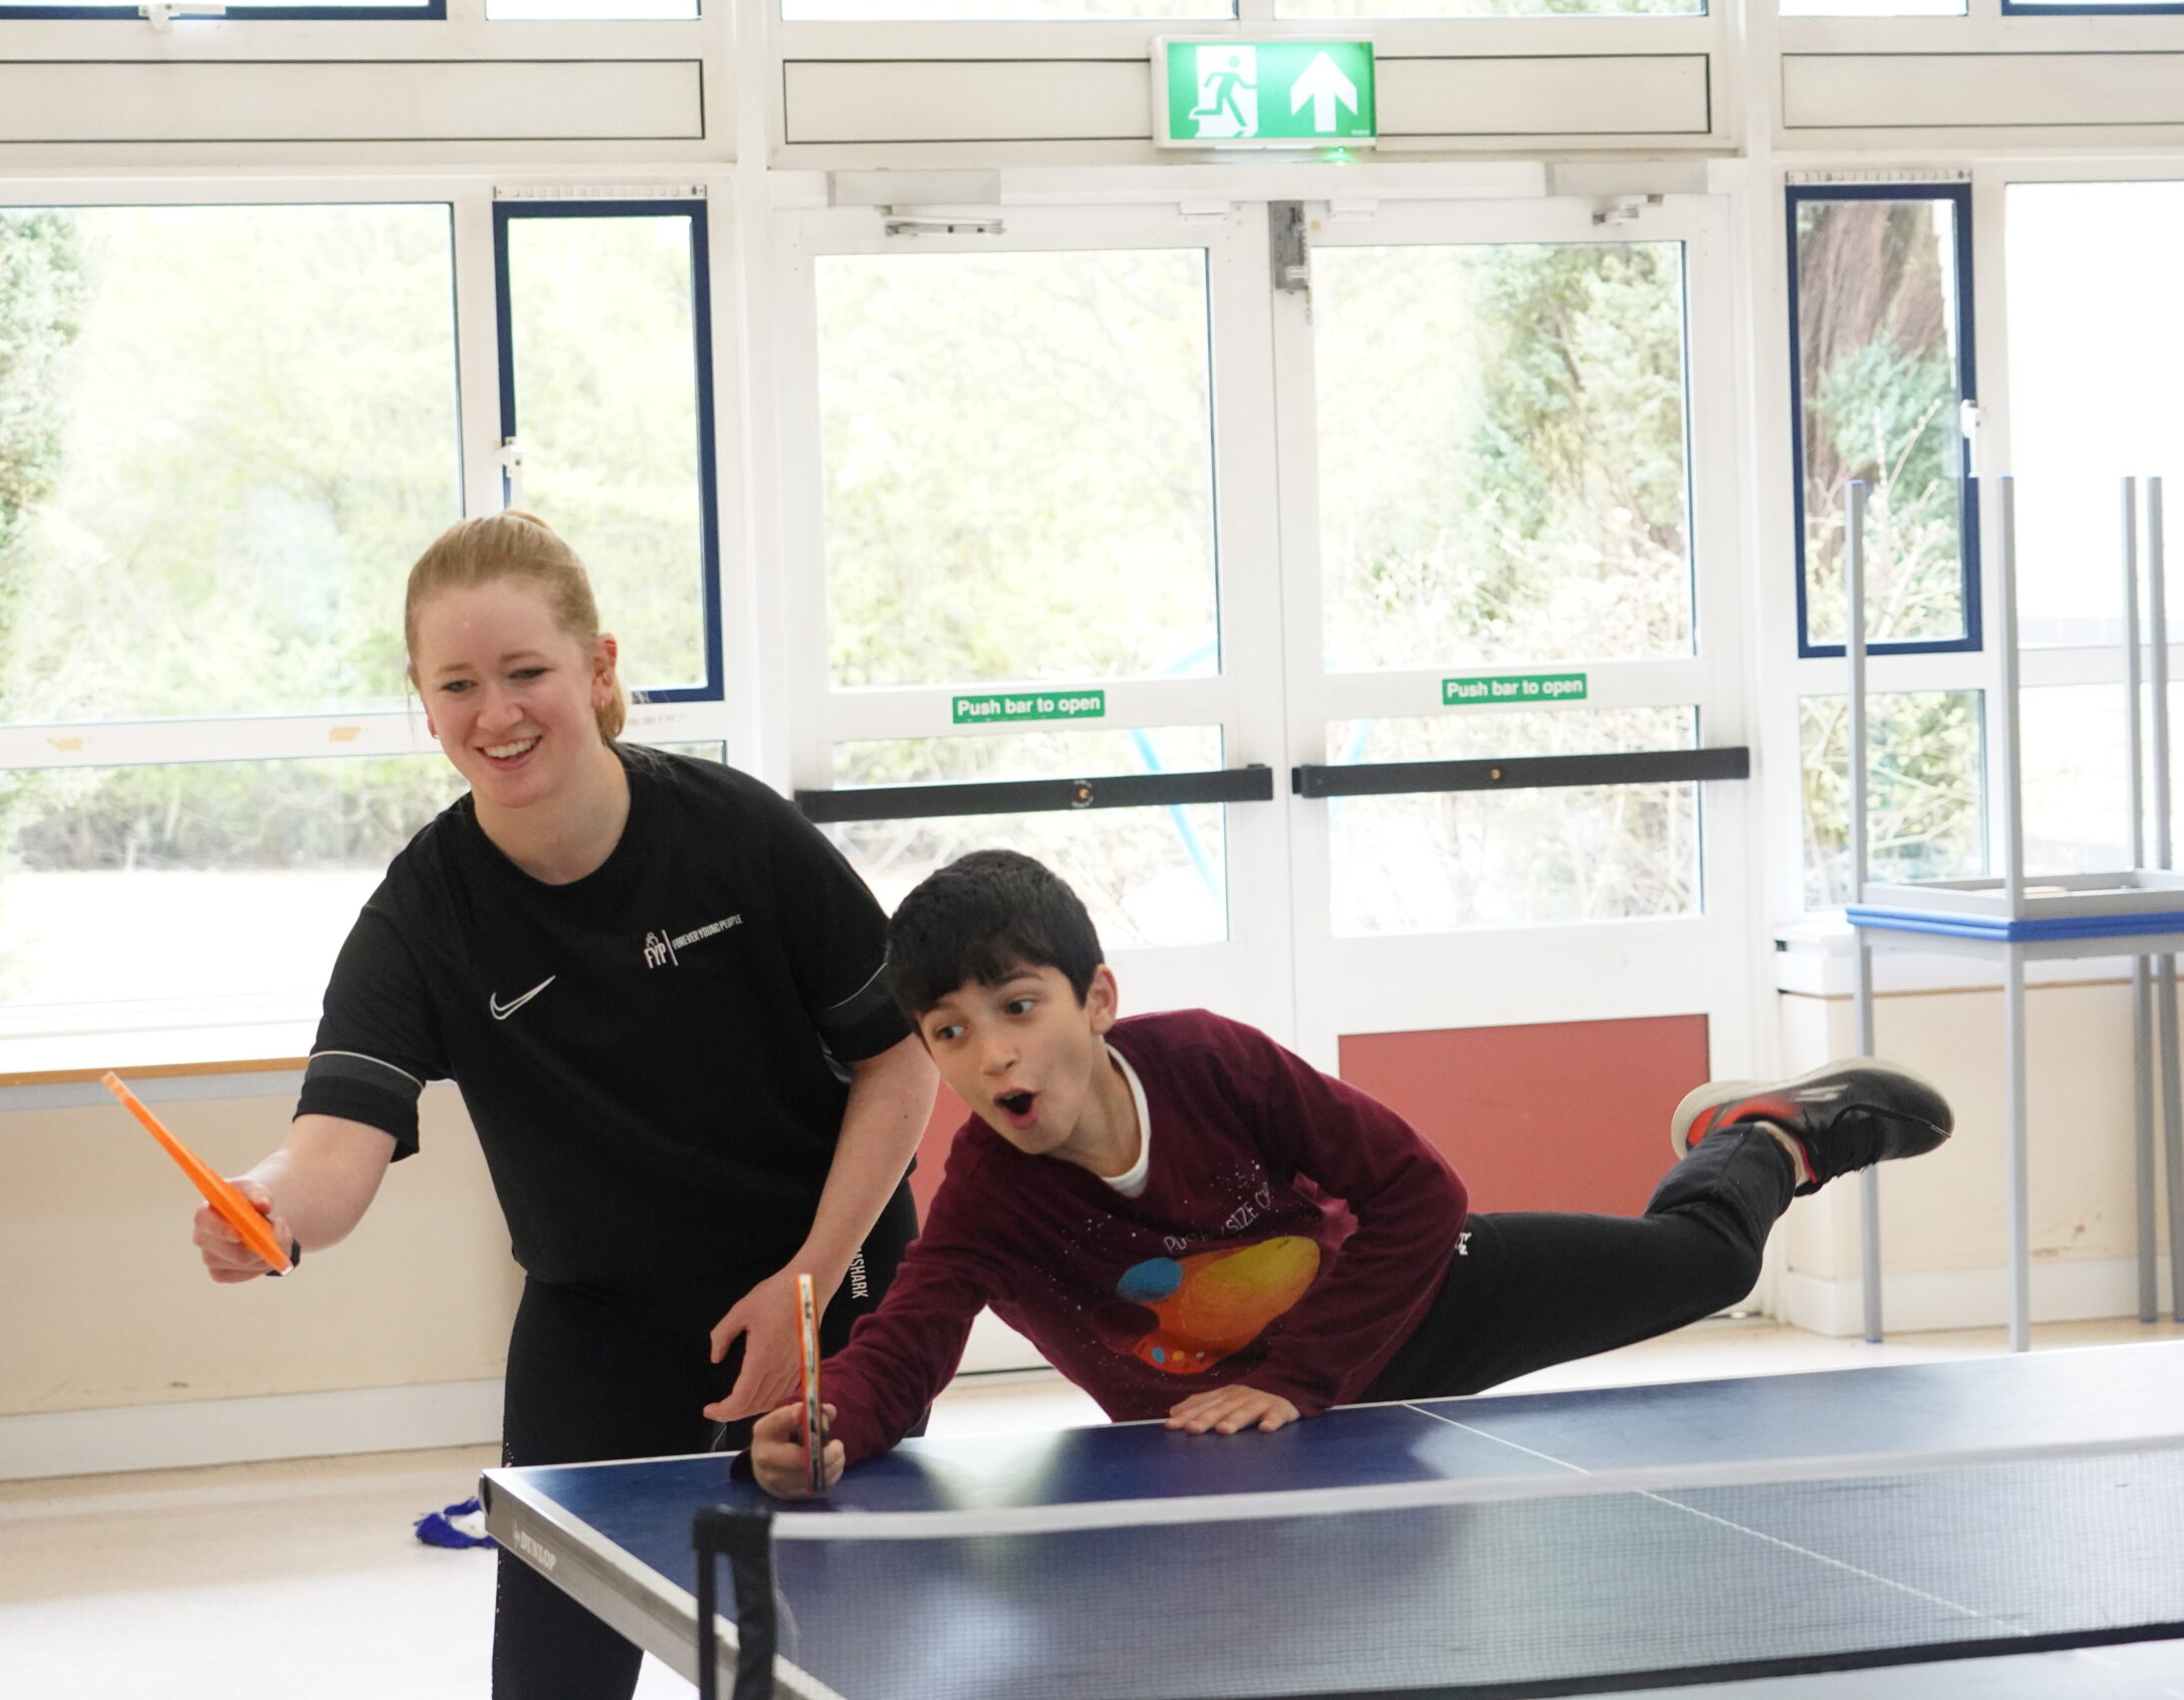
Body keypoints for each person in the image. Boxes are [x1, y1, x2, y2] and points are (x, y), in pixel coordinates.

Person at [189, 512, 937, 1699]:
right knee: (548, 1673)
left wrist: (805, 1283)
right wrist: (266, 1208)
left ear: (597, 670)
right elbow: (333, 1145)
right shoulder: (424, 915)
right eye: (459, 684)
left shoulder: (739, 837)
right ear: (425, 705)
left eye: (527, 671)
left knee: (813, 1657)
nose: (497, 713)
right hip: (600, 1314)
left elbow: (899, 1066)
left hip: (821, 1283)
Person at [741, 848, 1950, 1494]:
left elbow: (1419, 1194)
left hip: (1415, 1303)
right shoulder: (987, 1203)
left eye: (1017, 1006)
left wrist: (1303, 1373)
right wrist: (828, 1422)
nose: (991, 1051)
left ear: (1096, 1001)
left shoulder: (1212, 1064)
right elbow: (905, 1349)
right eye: (949, 1031)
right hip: (1243, 1463)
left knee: (1705, 1262)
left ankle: (1768, 1138)